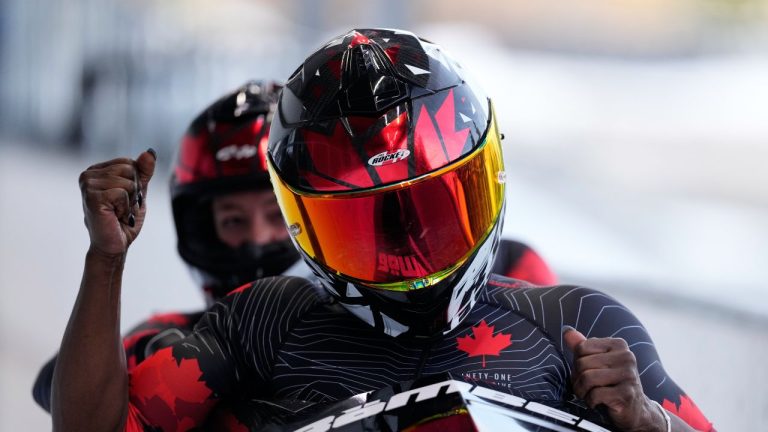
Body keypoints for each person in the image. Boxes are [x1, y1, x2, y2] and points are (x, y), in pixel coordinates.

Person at [50, 29, 712, 431]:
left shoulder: (580, 322)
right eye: (368, 223)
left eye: (433, 208)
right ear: (305, 223)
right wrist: (103, 262)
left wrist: (649, 423)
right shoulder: (264, 319)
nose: (414, 252)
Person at [32, 80, 304, 413]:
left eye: (277, 213)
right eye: (233, 220)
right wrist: (105, 257)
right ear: (204, 232)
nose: (258, 238)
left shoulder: (374, 330)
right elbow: (54, 386)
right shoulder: (185, 339)